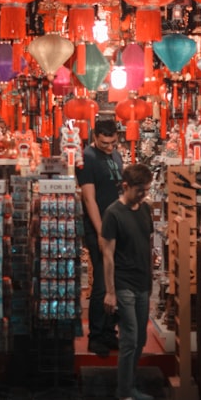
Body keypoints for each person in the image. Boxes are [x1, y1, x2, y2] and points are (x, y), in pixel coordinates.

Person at [101, 162, 155, 400]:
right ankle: (123, 394)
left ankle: (129, 387)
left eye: (146, 190)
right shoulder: (113, 213)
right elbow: (108, 255)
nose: (143, 195)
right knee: (130, 338)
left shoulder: (146, 210)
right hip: (124, 284)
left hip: (144, 283)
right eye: (139, 190)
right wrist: (110, 291)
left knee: (141, 339)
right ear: (125, 186)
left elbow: (148, 242)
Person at [76, 118, 123, 357]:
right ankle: (96, 335)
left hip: (118, 226)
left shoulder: (116, 155)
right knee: (102, 284)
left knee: (116, 281)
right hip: (100, 228)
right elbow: (88, 199)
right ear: (95, 138)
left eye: (113, 142)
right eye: (104, 143)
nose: (109, 146)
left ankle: (108, 332)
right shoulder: (88, 158)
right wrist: (100, 231)